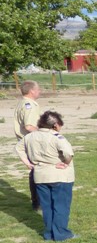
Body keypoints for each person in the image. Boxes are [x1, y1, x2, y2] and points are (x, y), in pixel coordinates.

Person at [16, 111, 77, 241]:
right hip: (59, 175)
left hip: (40, 175)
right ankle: (61, 234)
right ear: (55, 125)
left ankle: (49, 233)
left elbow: (18, 148)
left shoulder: (30, 136)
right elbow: (68, 153)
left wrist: (28, 163)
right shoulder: (57, 137)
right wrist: (65, 163)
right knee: (61, 205)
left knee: (47, 206)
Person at [14, 80, 42, 210]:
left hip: (27, 141)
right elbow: (29, 126)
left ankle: (36, 201)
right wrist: (46, 132)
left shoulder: (22, 103)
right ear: (32, 91)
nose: (40, 91)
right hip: (31, 142)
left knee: (35, 170)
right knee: (37, 170)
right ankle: (37, 202)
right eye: (38, 89)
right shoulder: (29, 105)